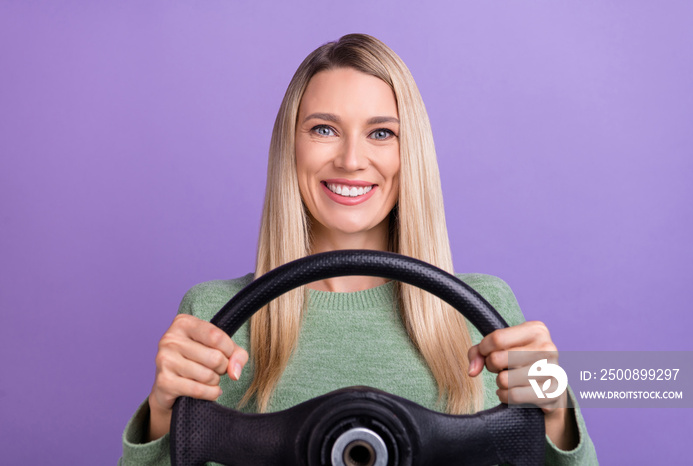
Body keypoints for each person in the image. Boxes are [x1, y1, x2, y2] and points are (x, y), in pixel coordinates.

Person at [120, 33, 597, 465]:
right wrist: (164, 414)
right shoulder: (213, 318)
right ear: (292, 147)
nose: (351, 160)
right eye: (324, 129)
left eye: (381, 133)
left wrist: (554, 410)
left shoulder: (484, 309)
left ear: (408, 153)